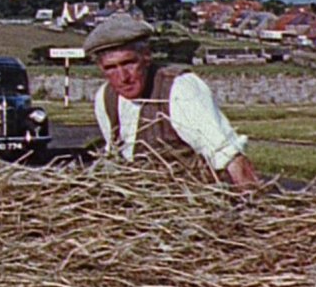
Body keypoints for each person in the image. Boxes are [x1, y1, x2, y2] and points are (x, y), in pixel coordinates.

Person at [83, 14, 259, 189]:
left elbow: (229, 156)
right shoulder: (106, 98)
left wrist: (256, 206)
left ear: (146, 56)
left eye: (129, 63)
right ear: (100, 68)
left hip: (195, 202)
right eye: (111, 68)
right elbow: (116, 157)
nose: (123, 77)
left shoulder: (180, 88)